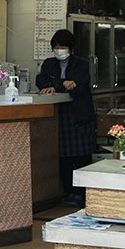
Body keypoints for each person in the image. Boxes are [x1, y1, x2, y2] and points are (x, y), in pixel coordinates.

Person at [36, 29, 96, 207]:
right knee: (64, 156)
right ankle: (68, 191)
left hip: (79, 114)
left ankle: (82, 193)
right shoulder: (49, 64)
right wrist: (62, 84)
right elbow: (41, 81)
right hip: (60, 114)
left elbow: (79, 85)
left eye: (62, 47)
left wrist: (56, 85)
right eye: (56, 47)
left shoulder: (81, 64)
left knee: (82, 156)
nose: (59, 50)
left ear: (70, 48)